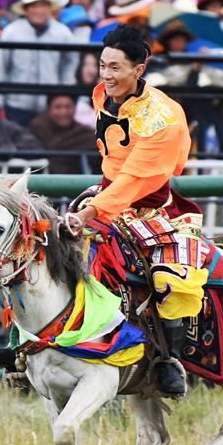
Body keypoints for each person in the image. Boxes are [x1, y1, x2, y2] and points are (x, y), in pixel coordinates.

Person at [65, 25, 210, 398]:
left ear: (138, 70)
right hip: (106, 195)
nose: (106, 75)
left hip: (152, 208)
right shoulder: (102, 95)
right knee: (51, 249)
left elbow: (136, 178)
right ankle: (30, 345)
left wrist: (90, 214)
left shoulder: (164, 118)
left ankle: (170, 360)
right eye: (102, 65)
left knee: (171, 279)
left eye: (115, 68)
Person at [0, 0, 78, 126]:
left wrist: (63, 86)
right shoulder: (11, 32)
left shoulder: (62, 33)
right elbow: (1, 67)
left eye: (43, 5)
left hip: (49, 106)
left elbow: (71, 60)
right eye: (34, 6)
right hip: (16, 104)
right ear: (26, 9)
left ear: (50, 8)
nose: (39, 10)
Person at [28, 95, 97, 175]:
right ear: (49, 109)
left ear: (75, 109)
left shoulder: (83, 131)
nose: (63, 112)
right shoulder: (37, 126)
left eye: (68, 107)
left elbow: (96, 141)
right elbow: (50, 147)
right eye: (58, 107)